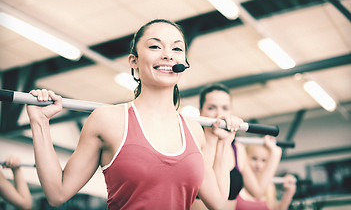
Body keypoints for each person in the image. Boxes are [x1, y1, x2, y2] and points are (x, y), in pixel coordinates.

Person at [26, 19, 244, 209]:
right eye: (155, 46)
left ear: (183, 64)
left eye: (177, 49)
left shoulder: (194, 131)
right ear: (134, 61)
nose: (168, 55)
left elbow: (217, 202)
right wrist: (40, 123)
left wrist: (224, 143)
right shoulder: (108, 120)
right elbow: (57, 193)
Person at [191, 83, 285, 210]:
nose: (219, 114)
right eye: (211, 108)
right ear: (200, 111)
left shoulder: (237, 150)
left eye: (225, 108)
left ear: (231, 111)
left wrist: (275, 154)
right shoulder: (193, 145)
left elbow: (257, 192)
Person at [236, 143, 296, 210]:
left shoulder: (269, 187)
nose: (258, 165)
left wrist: (289, 192)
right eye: (254, 158)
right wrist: (276, 153)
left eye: (264, 160)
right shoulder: (237, 184)